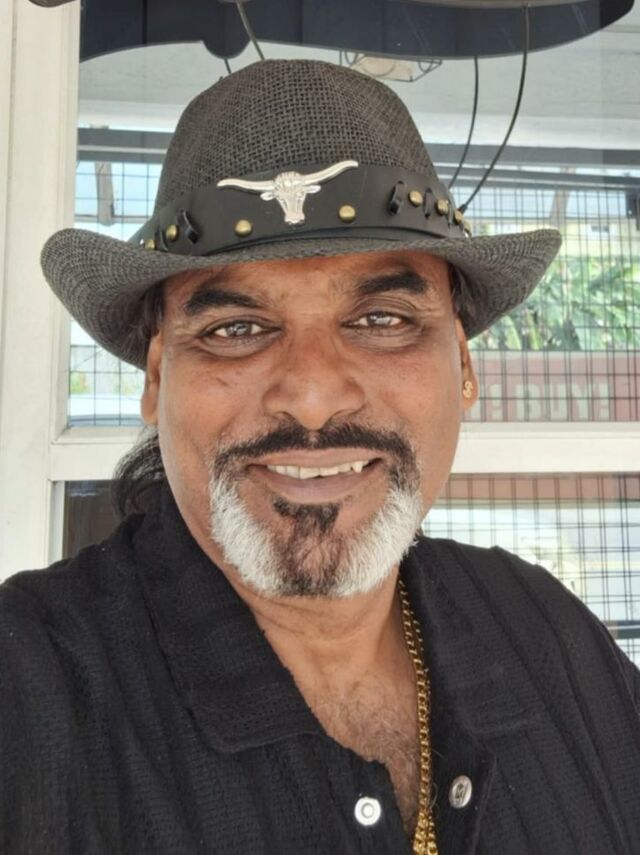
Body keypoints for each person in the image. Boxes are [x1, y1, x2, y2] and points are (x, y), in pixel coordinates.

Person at [1, 59, 639, 855]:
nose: (311, 397)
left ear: (465, 366)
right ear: (158, 378)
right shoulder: (29, 694)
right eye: (236, 328)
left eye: (381, 319)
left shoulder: (550, 635)